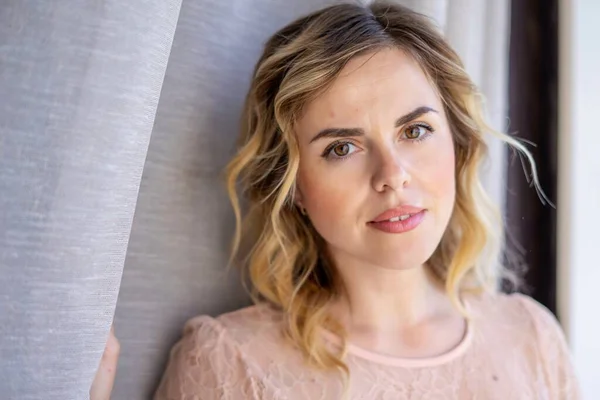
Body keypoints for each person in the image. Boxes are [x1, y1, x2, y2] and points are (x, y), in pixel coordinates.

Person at [92, 1, 580, 399]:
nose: (392, 175)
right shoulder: (229, 364)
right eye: (341, 148)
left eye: (415, 130)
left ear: (457, 144)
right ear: (294, 186)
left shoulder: (532, 339)